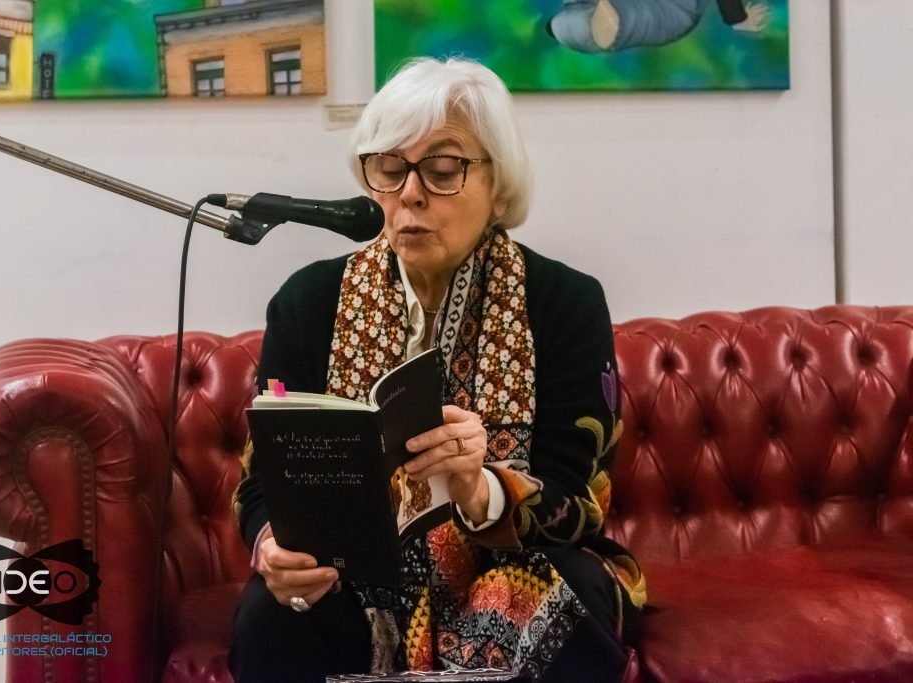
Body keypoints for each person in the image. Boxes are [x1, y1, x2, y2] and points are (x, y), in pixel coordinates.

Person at [230, 57, 646, 682]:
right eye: (389, 168)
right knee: (273, 616)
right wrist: (272, 547)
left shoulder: (565, 302)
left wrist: (481, 490)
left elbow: (581, 500)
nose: (410, 193)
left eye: (444, 169)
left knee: (545, 597)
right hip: (354, 576)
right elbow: (260, 483)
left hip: (515, 560)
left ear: (499, 186)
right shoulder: (308, 302)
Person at [548, 0, 770, 53]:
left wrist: (737, 19)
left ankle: (582, 27)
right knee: (573, 21)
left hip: (671, 10)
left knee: (576, 26)